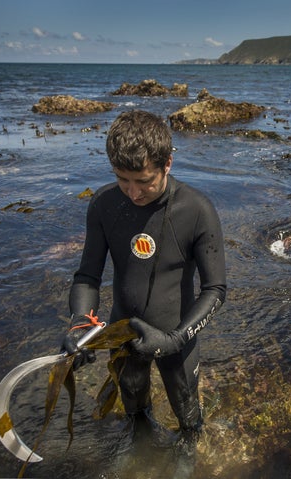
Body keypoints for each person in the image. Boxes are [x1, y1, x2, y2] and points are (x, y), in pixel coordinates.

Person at [60, 110, 227, 455]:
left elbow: (215, 290)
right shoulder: (105, 204)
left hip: (177, 335)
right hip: (125, 334)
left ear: (167, 163)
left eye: (144, 181)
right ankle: (142, 454)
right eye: (123, 179)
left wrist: (175, 338)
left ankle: (188, 454)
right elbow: (88, 275)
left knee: (188, 416)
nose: (133, 193)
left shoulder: (197, 209)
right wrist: (80, 322)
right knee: (135, 412)